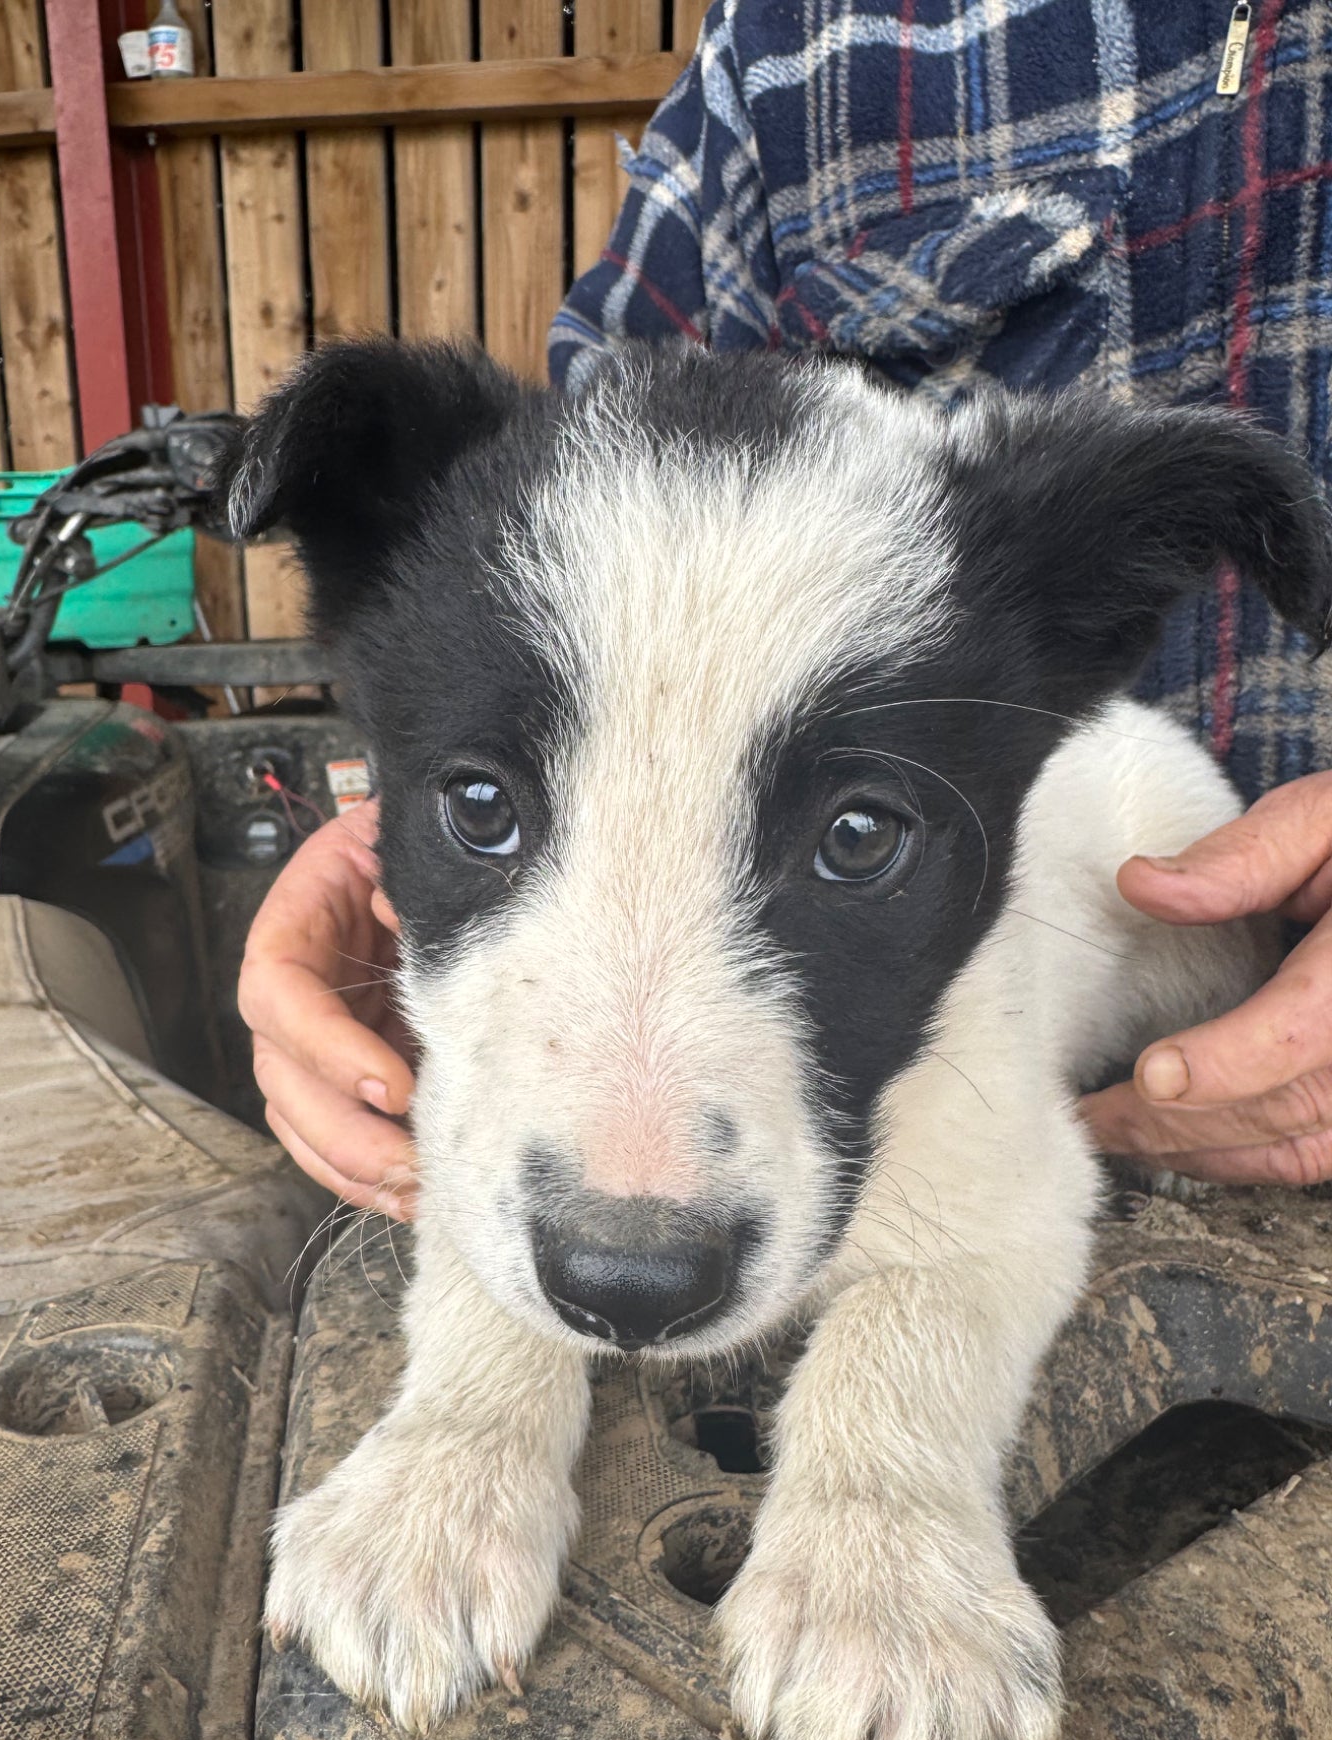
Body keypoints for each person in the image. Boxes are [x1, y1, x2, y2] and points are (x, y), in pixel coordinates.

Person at [241, 0, 1332, 1218]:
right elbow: (562, 595)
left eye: (858, 837)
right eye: (483, 809)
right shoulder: (798, 45)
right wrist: (400, 842)